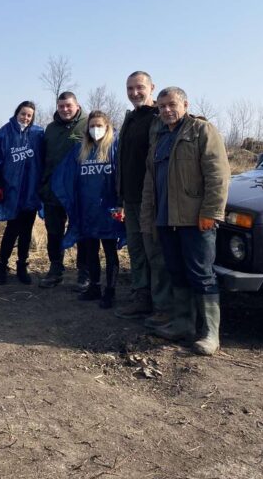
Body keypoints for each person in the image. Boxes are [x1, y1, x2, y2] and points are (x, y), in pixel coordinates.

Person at [140, 87, 230, 355]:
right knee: (176, 271)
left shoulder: (201, 131)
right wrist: (148, 218)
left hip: (195, 219)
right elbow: (150, 182)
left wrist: (210, 213)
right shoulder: (160, 138)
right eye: (162, 106)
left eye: (172, 105)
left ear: (185, 104)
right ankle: (183, 325)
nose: (167, 110)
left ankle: (210, 334)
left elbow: (218, 175)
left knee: (201, 274)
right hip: (166, 219)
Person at [113, 71, 173, 327]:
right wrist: (121, 196)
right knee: (136, 251)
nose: (134, 92)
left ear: (151, 88)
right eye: (130, 88)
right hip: (131, 198)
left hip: (151, 198)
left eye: (139, 87)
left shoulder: (158, 118)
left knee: (155, 254)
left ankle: (163, 307)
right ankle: (141, 297)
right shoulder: (131, 119)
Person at [53, 111, 125, 308]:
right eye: (92, 126)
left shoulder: (115, 147)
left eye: (99, 125)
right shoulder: (81, 149)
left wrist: (122, 203)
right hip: (87, 210)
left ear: (107, 127)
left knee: (110, 251)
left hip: (109, 210)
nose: (95, 129)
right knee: (90, 251)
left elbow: (123, 176)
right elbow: (66, 175)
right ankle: (95, 286)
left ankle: (110, 291)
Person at [0, 101, 44, 285]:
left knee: (27, 231)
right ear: (17, 113)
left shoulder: (38, 134)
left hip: (31, 190)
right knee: (12, 229)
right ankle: (2, 264)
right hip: (12, 191)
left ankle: (22, 266)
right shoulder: (4, 133)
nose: (26, 118)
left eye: (29, 115)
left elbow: (44, 159)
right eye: (23, 114)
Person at [39, 91, 89, 289]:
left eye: (69, 106)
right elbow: (44, 157)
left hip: (79, 191)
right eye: (61, 106)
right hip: (53, 190)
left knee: (82, 231)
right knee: (54, 231)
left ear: (77, 106)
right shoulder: (50, 129)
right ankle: (55, 269)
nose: (65, 109)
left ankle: (84, 272)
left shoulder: (88, 124)